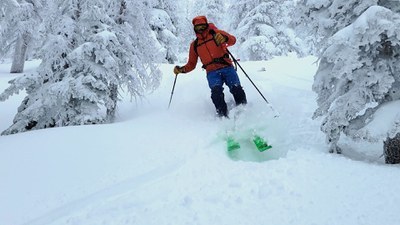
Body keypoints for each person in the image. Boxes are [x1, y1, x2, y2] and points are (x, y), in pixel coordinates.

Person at [173, 15, 247, 117]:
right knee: (216, 94)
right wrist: (181, 70)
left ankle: (244, 112)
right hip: (212, 73)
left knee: (236, 89)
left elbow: (233, 40)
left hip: (227, 67)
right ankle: (223, 117)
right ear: (194, 29)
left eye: (202, 27)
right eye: (197, 28)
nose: (200, 30)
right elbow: (191, 64)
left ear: (206, 26)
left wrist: (225, 38)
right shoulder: (194, 45)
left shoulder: (217, 34)